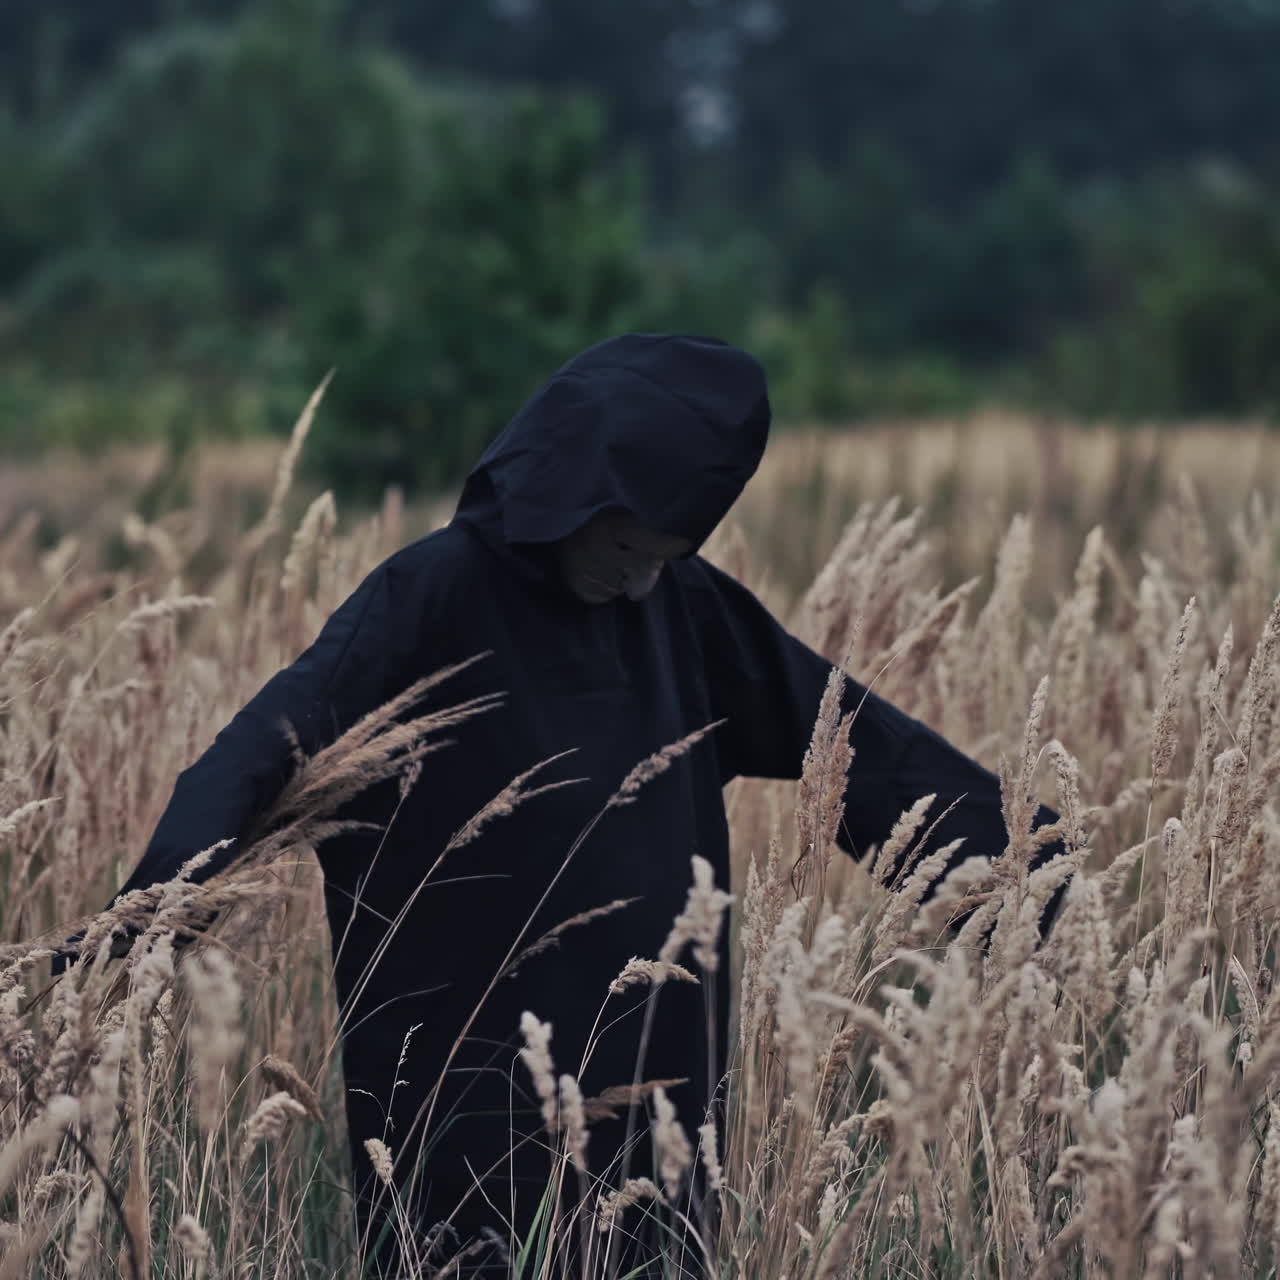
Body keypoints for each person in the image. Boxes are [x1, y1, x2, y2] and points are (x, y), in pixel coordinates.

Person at [67, 335, 1058, 1275]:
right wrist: (151, 919)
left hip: (653, 1057)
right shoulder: (430, 595)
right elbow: (267, 745)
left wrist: (1020, 873)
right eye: (626, 543)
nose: (637, 578)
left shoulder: (680, 606)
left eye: (663, 553)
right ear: (564, 497)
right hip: (466, 1059)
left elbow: (847, 734)